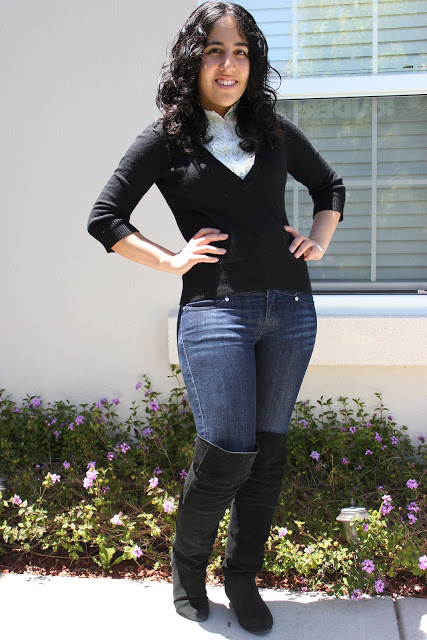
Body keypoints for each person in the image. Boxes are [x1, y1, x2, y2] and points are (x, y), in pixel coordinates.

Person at [88, 1, 345, 634]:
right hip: (214, 313)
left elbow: (329, 187)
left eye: (240, 52)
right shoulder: (167, 138)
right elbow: (105, 217)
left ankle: (242, 578)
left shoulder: (274, 130)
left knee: (269, 451)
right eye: (214, 50)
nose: (227, 64)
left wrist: (319, 238)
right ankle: (187, 567)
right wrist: (172, 260)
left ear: (251, 64)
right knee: (228, 451)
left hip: (290, 309)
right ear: (192, 59)